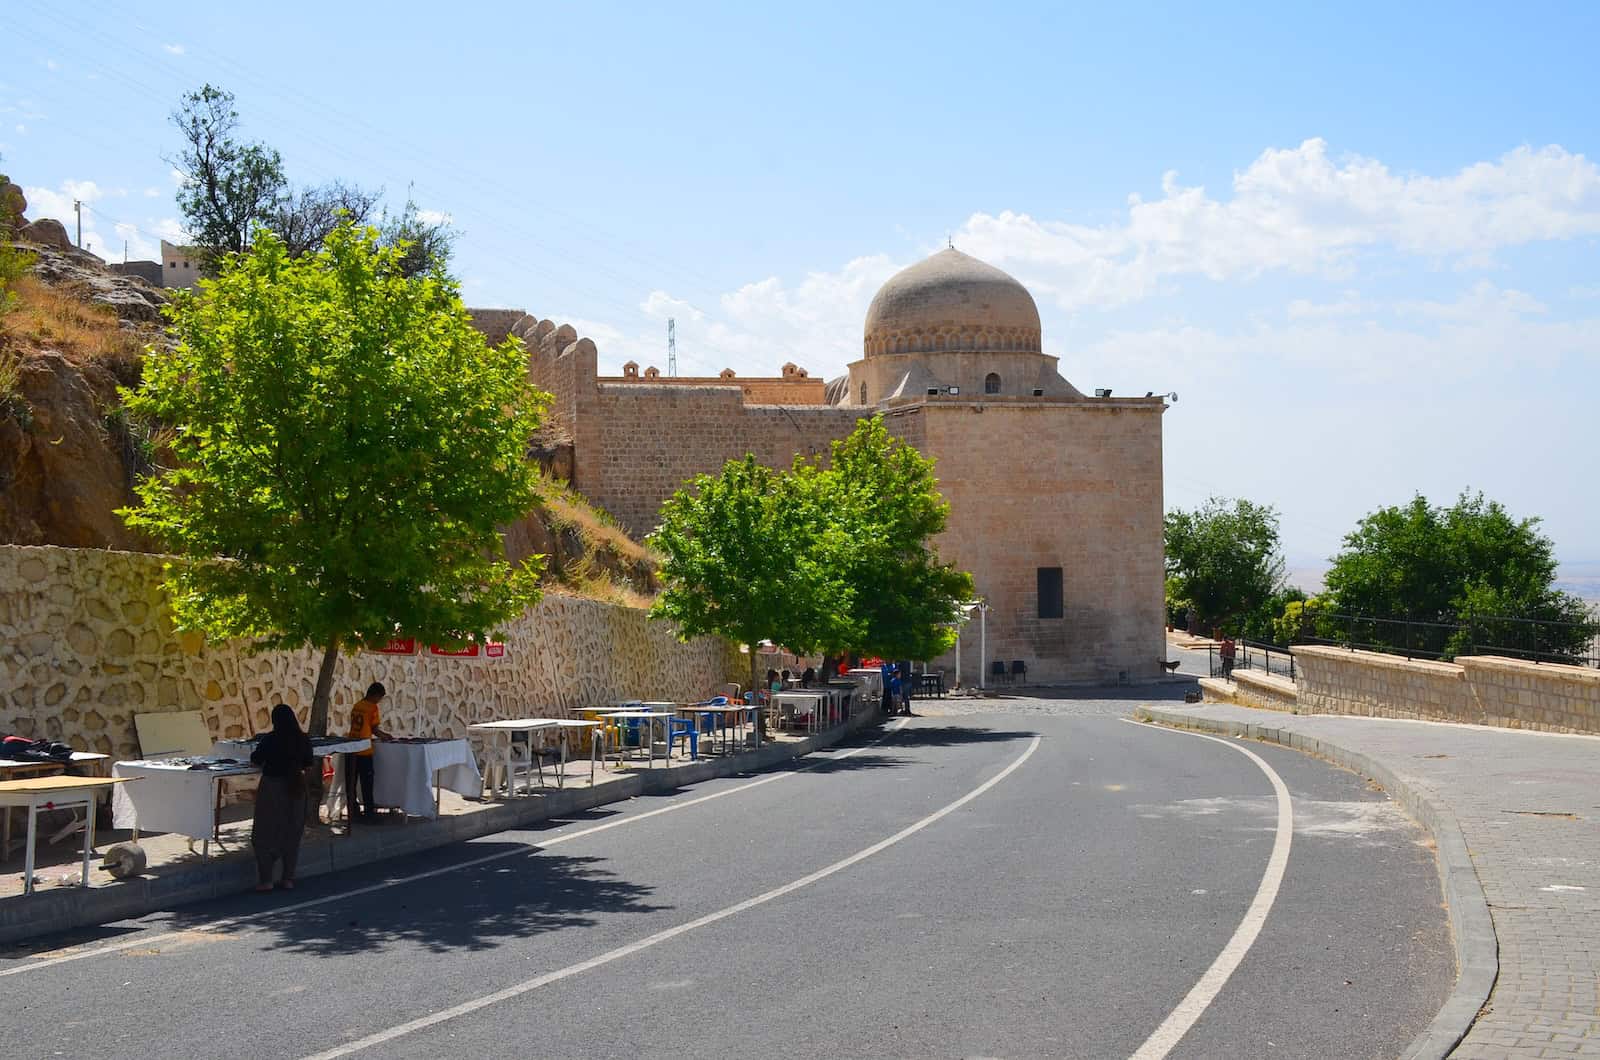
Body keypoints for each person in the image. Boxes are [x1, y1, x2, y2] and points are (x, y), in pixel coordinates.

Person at [250, 704, 314, 891]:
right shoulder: (303, 740)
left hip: (272, 787)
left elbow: (256, 759)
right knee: (292, 832)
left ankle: (266, 880)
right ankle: (287, 878)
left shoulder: (270, 740)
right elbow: (308, 765)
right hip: (296, 787)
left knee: (264, 832)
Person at [345, 682, 390, 822]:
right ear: (375, 695)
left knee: (351, 783)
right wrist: (386, 736)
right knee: (367, 783)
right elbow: (374, 729)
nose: (379, 701)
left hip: (351, 747)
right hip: (364, 750)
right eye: (379, 698)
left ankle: (353, 811)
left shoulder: (357, 705)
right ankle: (369, 814)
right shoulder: (372, 708)